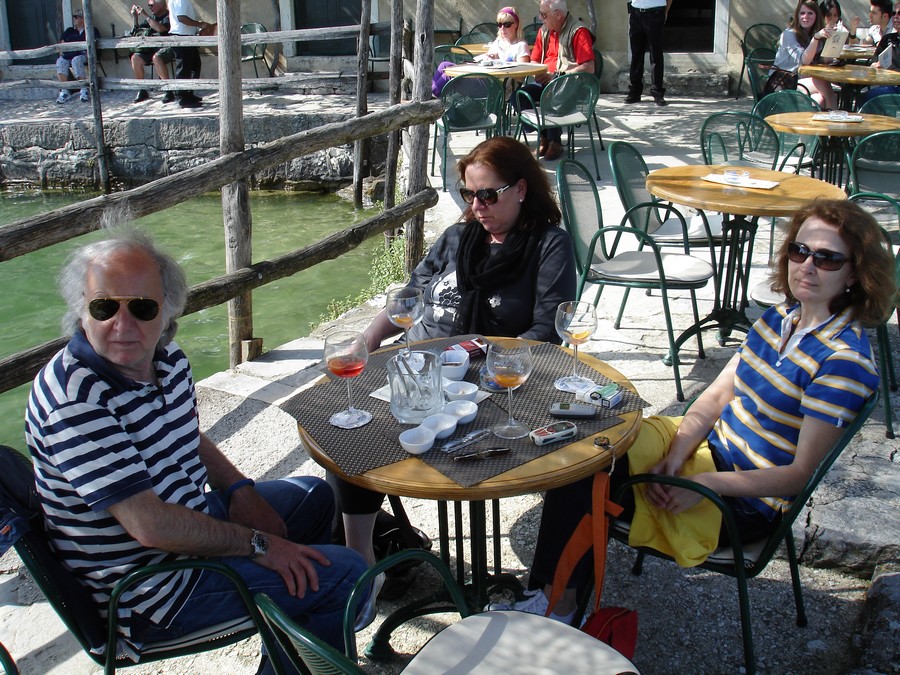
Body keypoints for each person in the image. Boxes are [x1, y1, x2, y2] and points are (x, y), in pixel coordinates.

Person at [489, 199, 895, 622]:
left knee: (583, 482)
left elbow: (798, 475)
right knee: (585, 450)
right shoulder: (781, 317)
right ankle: (552, 595)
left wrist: (702, 484)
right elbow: (716, 397)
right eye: (800, 250)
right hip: (708, 456)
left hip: (745, 502)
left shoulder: (843, 362)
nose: (807, 266)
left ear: (855, 273)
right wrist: (677, 453)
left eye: (827, 259)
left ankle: (556, 606)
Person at [24, 227, 368, 673]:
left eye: (142, 307)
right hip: (148, 591)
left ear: (167, 309)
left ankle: (289, 640)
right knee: (346, 575)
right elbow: (150, 526)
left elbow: (186, 432)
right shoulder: (75, 400)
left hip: (182, 533)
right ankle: (307, 621)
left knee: (317, 498)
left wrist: (241, 490)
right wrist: (259, 545)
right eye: (104, 307)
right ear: (81, 309)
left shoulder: (164, 360)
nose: (122, 326)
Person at [331, 135, 577, 617]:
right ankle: (362, 564)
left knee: (576, 462)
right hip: (419, 369)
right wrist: (365, 342)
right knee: (349, 431)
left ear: (521, 189)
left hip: (486, 382)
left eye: (488, 194)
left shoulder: (548, 245)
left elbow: (546, 330)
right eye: (469, 194)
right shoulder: (458, 237)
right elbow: (409, 298)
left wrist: (486, 364)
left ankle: (551, 590)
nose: (477, 206)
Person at [519, 0, 595, 161]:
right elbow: (534, 60)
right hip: (546, 83)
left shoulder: (579, 31)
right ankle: (545, 137)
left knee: (552, 94)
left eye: (544, 15)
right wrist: (537, 72)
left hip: (571, 86)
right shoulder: (544, 31)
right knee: (519, 97)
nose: (540, 18)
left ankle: (555, 141)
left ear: (558, 15)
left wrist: (557, 75)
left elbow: (589, 67)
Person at [770, 1, 836, 107]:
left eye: (810, 13)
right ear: (797, 16)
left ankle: (822, 116)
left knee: (819, 99)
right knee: (822, 82)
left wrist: (832, 39)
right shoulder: (789, 34)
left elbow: (820, 59)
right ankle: (835, 114)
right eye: (802, 13)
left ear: (816, 16)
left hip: (801, 81)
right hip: (782, 83)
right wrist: (816, 38)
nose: (805, 17)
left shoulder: (812, 34)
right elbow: (804, 60)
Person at [625, 0, 673, 107]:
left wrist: (665, 12)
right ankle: (635, 91)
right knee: (636, 55)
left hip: (656, 12)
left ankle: (657, 92)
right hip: (636, 13)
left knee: (656, 54)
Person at [130, 0, 175, 104]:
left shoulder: (169, 16)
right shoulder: (152, 17)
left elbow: (160, 28)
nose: (150, 8)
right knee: (135, 58)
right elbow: (136, 31)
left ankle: (168, 90)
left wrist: (145, 15)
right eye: (149, 6)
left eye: (151, 5)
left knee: (156, 57)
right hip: (151, 48)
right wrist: (135, 18)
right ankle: (142, 90)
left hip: (168, 47)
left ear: (160, 5)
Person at [167, 0, 211, 108]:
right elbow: (181, 18)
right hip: (181, 36)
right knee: (184, 68)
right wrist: (200, 24)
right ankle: (183, 97)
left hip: (187, 36)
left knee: (194, 65)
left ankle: (189, 93)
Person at [55, 9, 100, 104]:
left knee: (76, 60)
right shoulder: (70, 31)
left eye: (76, 17)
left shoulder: (91, 30)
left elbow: (94, 45)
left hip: (84, 55)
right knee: (60, 61)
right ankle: (65, 90)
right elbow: (62, 44)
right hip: (69, 55)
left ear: (83, 18)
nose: (74, 19)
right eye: (73, 17)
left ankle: (83, 88)